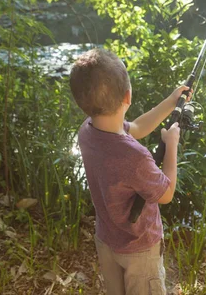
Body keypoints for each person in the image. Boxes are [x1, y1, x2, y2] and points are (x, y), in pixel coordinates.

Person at [69, 47, 189, 295]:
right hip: (140, 250)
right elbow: (166, 194)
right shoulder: (134, 157)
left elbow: (135, 127)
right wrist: (171, 145)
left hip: (107, 240)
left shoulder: (87, 131)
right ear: (128, 96)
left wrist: (171, 101)